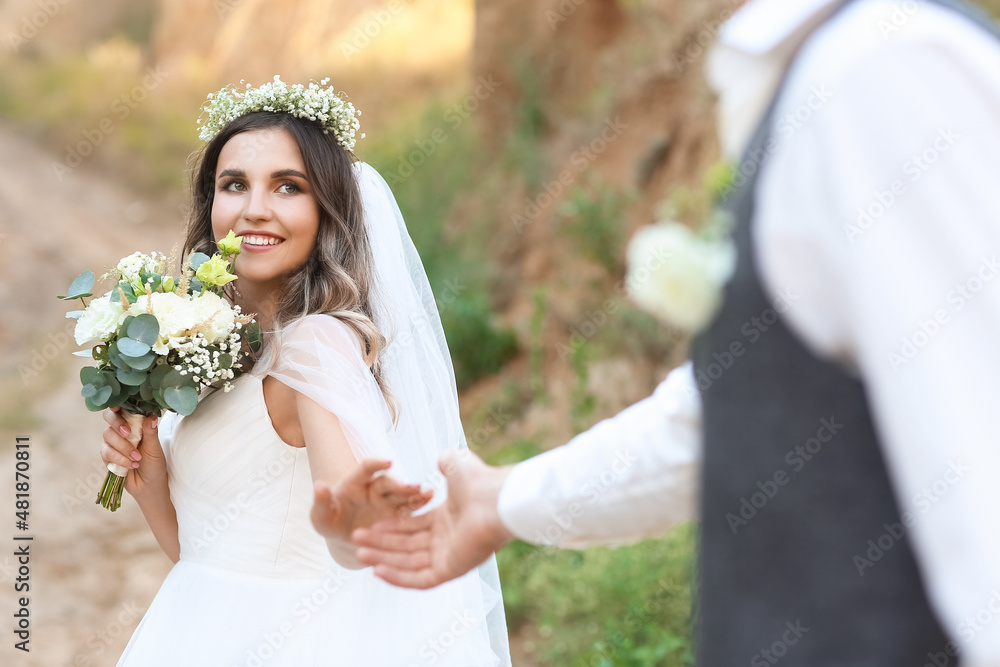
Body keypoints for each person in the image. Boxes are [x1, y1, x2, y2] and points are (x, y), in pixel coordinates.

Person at [351, 0, 1000, 664]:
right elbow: (729, 410)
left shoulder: (884, 70)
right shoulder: (820, 71)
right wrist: (504, 499)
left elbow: (981, 448)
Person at [98, 77, 510, 666]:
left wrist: (362, 514)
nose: (254, 209)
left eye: (288, 187)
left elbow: (350, 535)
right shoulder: (221, 349)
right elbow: (204, 560)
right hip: (196, 632)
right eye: (233, 184)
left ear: (327, 211)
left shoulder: (316, 344)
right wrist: (153, 480)